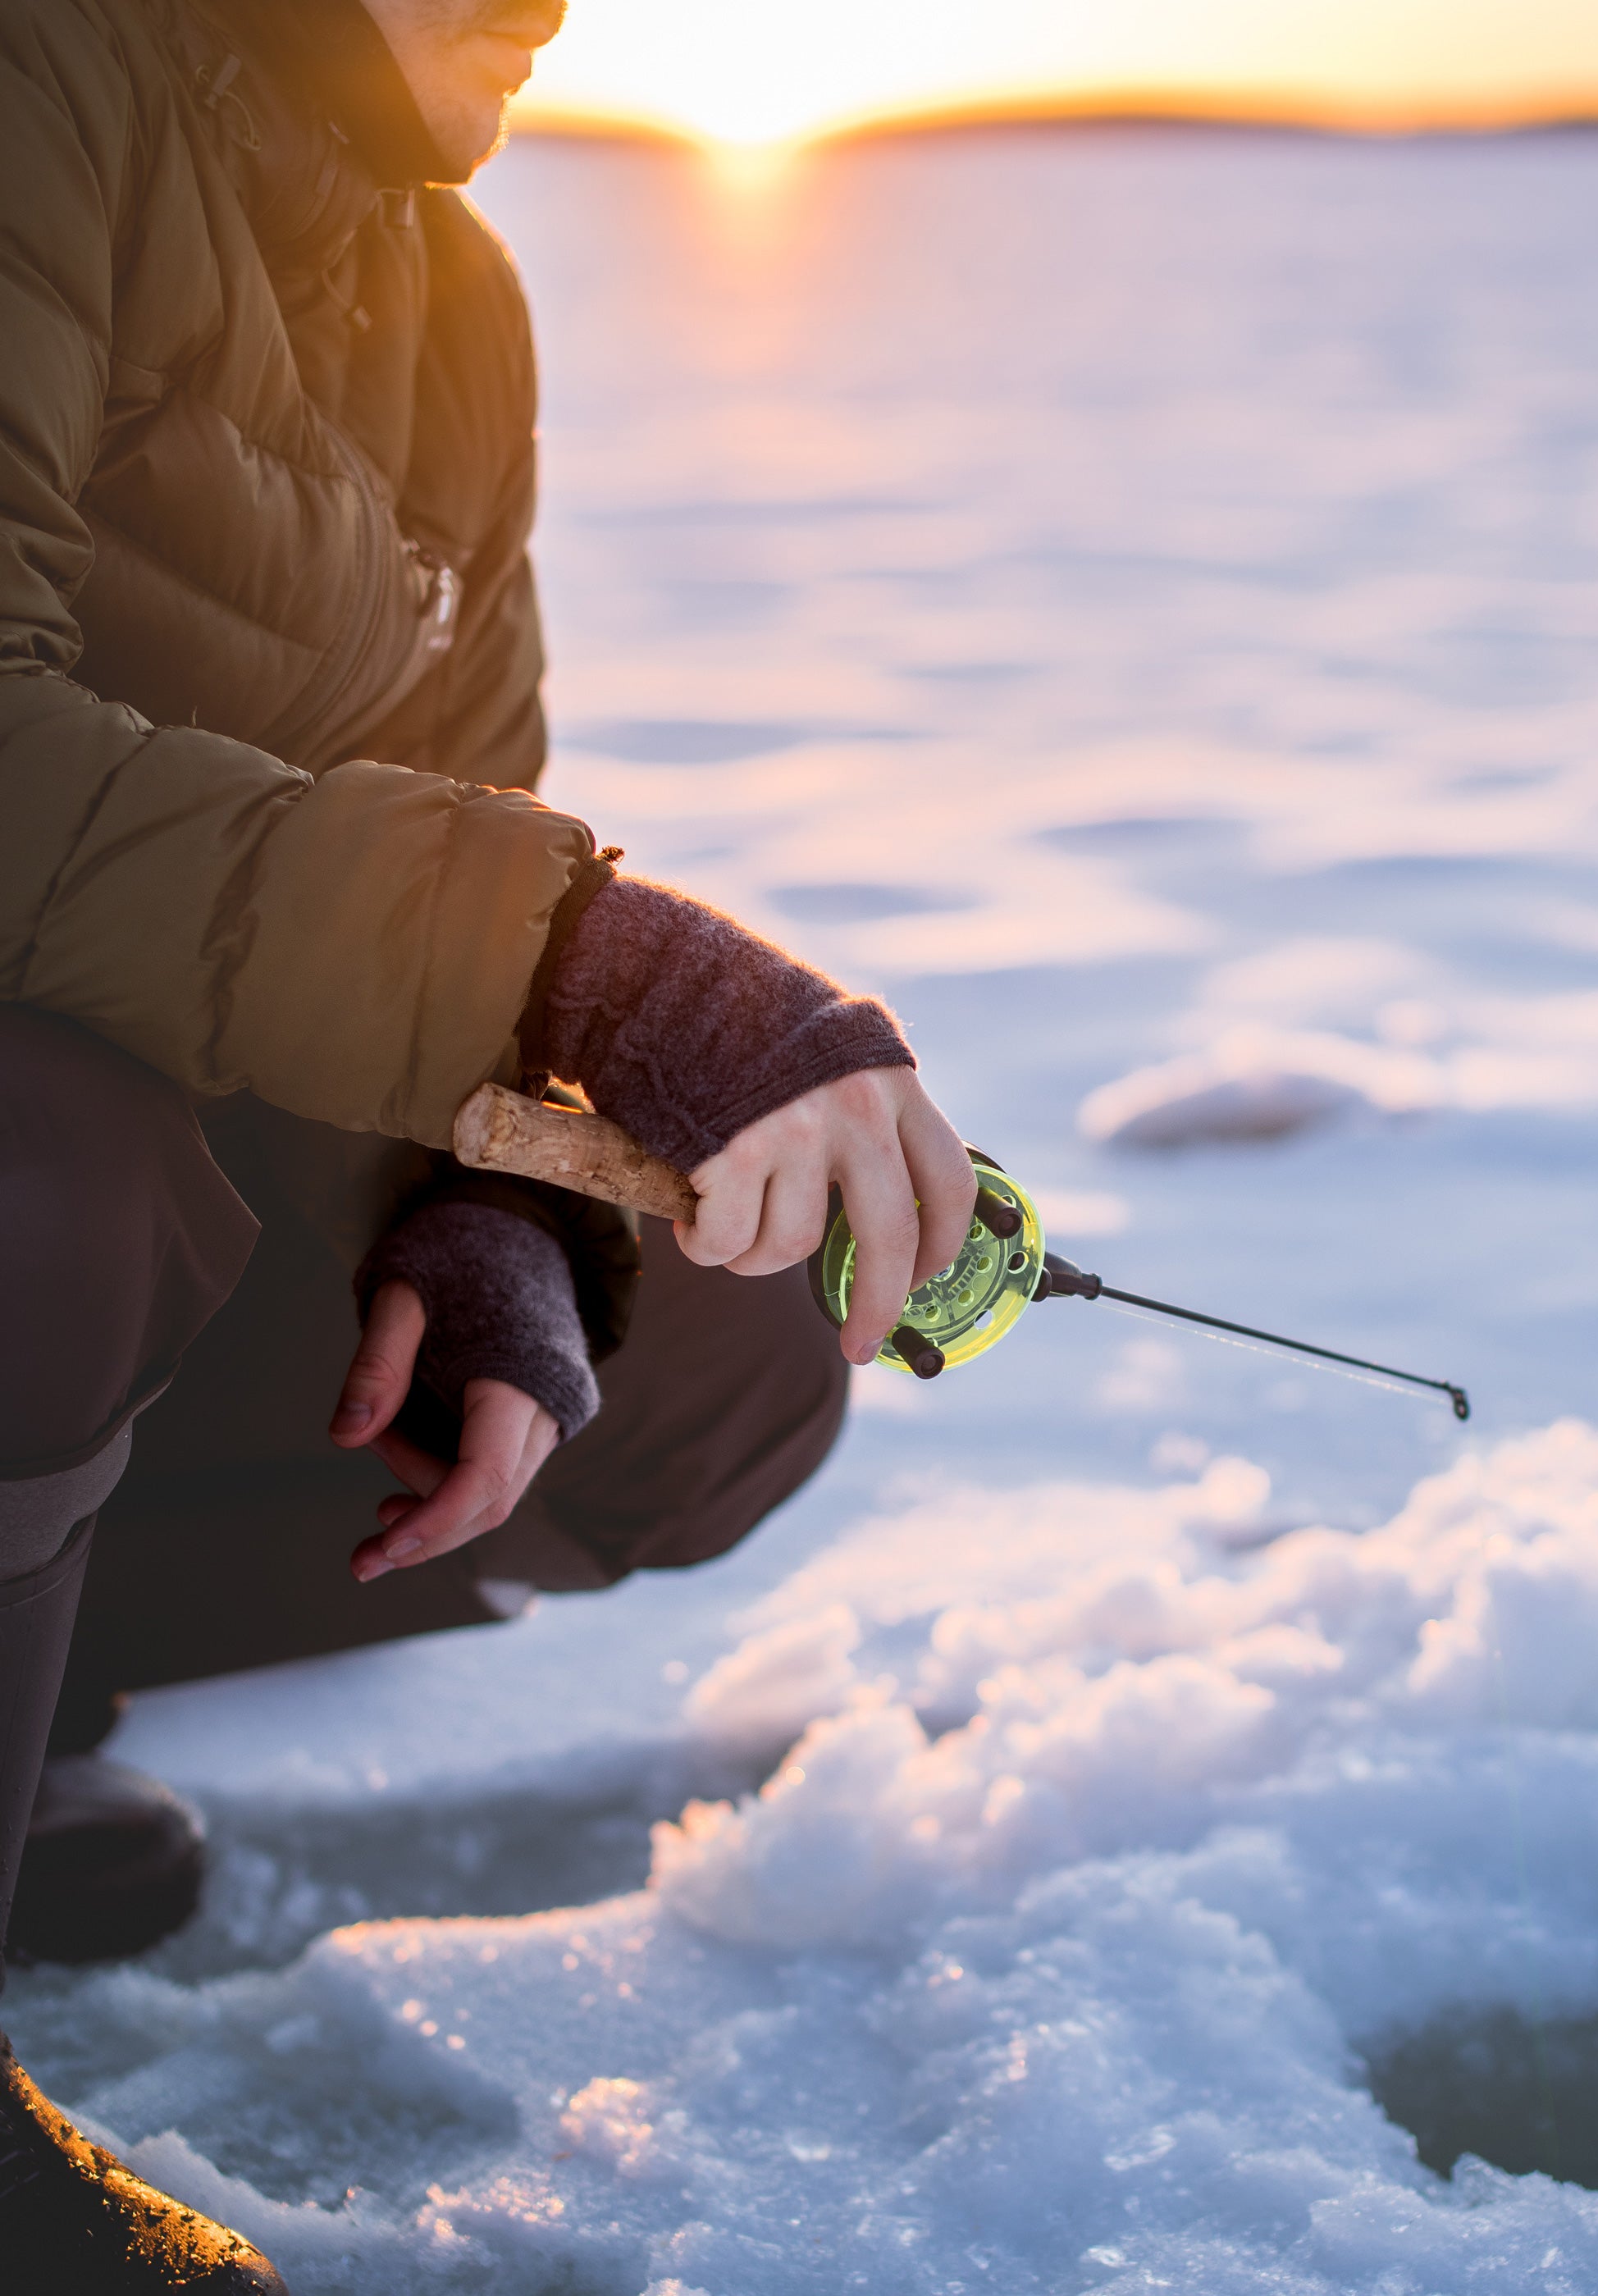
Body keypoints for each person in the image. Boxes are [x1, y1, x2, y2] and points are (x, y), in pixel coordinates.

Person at [0, 1, 977, 2283]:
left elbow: (468, 814)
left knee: (710, 1355)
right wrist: (604, 979)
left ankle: (31, 1708)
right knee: (53, 1177)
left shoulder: (446, 296)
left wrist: (492, 1206)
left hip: (144, 1171)